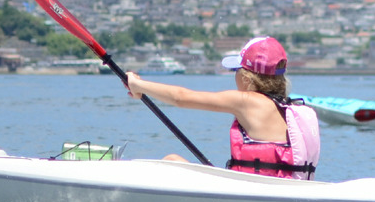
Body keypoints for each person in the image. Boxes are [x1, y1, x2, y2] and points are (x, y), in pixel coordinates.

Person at [124, 36, 321, 179]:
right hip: (283, 193)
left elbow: (181, 98)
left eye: (236, 70)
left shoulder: (245, 101)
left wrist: (138, 85)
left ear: (246, 76)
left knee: (171, 160)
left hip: (249, 197)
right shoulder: (295, 111)